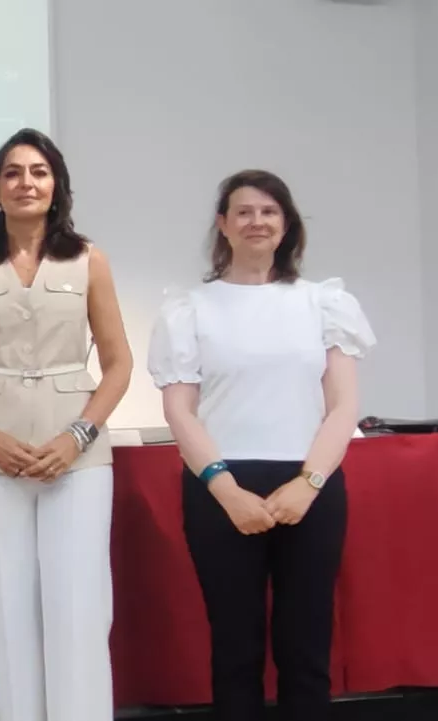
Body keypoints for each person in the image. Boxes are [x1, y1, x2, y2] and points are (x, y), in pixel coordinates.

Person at [148, 169, 376, 721]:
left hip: (310, 487)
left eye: (269, 212)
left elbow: (343, 407)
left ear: (286, 225)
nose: (257, 221)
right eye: (244, 212)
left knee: (307, 646)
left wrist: (308, 484)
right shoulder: (190, 308)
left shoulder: (323, 303)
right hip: (219, 489)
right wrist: (226, 491)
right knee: (235, 647)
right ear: (223, 225)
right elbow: (180, 409)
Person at [0, 128, 133, 721]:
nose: (26, 182)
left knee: (78, 608)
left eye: (39, 171)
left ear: (57, 186)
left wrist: (78, 437)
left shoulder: (89, 259)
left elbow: (119, 363)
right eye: (13, 172)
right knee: (8, 609)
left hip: (78, 456)